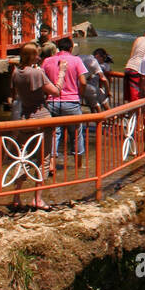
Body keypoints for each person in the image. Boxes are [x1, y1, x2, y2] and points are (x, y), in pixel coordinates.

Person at [9, 43, 60, 209]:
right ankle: (37, 198)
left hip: (25, 118)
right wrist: (63, 74)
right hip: (41, 118)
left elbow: (14, 95)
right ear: (32, 56)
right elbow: (55, 91)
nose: (39, 57)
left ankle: (16, 196)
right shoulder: (37, 72)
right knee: (43, 159)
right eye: (37, 55)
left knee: (23, 157)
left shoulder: (16, 72)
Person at [42, 35, 87, 169]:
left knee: (54, 133)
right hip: (72, 101)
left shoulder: (47, 61)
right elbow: (83, 82)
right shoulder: (76, 60)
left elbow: (42, 80)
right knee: (76, 134)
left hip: (52, 101)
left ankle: (51, 165)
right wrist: (80, 94)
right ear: (71, 47)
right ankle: (78, 166)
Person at [124, 27, 145, 102]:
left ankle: (130, 112)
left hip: (128, 67)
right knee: (137, 96)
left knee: (130, 96)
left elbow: (132, 55)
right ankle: (137, 113)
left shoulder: (138, 39)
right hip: (138, 69)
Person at [78, 47, 111, 113]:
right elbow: (103, 79)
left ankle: (98, 120)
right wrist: (108, 91)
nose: (103, 62)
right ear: (98, 56)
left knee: (93, 102)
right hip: (82, 85)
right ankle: (109, 117)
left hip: (74, 85)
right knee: (102, 97)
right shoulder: (93, 61)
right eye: (103, 59)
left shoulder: (83, 57)